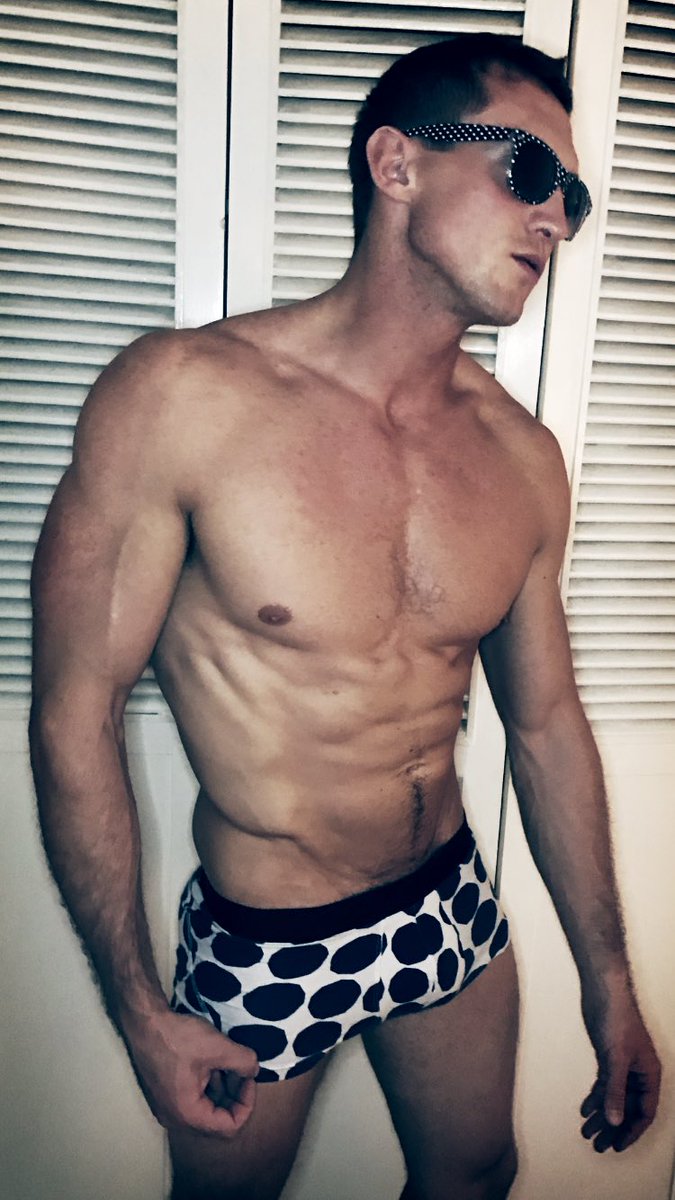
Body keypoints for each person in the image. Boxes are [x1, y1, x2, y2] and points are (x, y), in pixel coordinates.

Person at [30, 32, 660, 1200]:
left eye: (571, 198)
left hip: (447, 903)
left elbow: (547, 726)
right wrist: (137, 1011)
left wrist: (611, 980)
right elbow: (77, 712)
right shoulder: (180, 400)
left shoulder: (522, 458)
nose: (556, 221)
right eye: (528, 172)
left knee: (478, 1174)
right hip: (269, 937)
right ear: (396, 163)